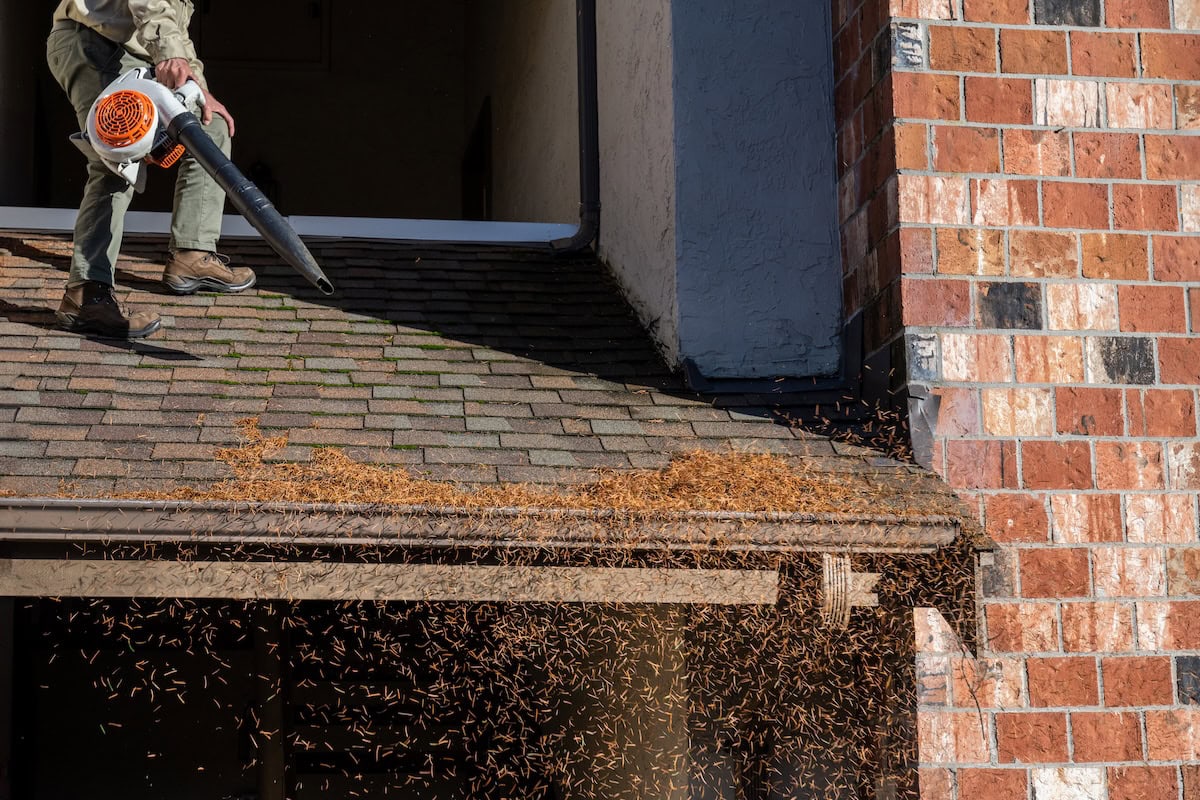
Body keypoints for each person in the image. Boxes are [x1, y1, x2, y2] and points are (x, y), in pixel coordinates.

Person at [46, 0, 255, 339]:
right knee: (115, 155)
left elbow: (172, 23)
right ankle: (87, 294)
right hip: (96, 42)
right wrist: (169, 53)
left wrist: (197, 86)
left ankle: (192, 254)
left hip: (140, 49)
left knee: (209, 127)